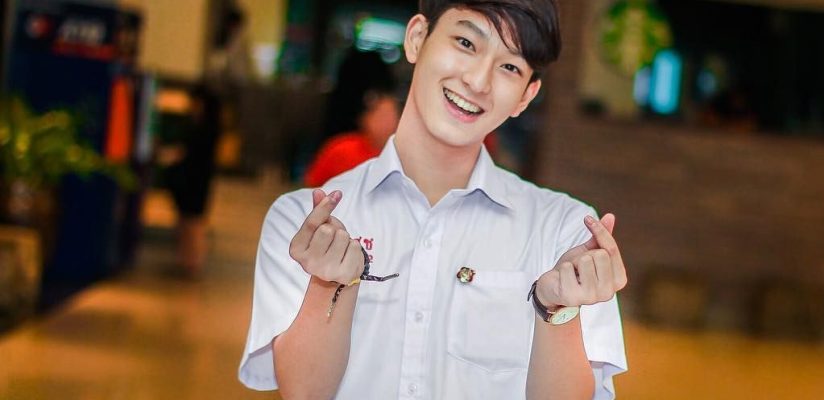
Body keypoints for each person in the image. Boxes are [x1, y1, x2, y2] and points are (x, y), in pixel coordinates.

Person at [239, 1, 628, 398]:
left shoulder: (565, 233)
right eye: (466, 43)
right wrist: (329, 283)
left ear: (526, 97)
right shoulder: (302, 222)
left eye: (510, 67)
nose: (478, 81)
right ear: (416, 38)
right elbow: (303, 393)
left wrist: (555, 308)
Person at [304, 49, 400, 187]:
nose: (387, 123)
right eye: (381, 116)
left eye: (391, 115)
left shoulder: (404, 158)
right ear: (365, 118)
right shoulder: (340, 150)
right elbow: (311, 187)